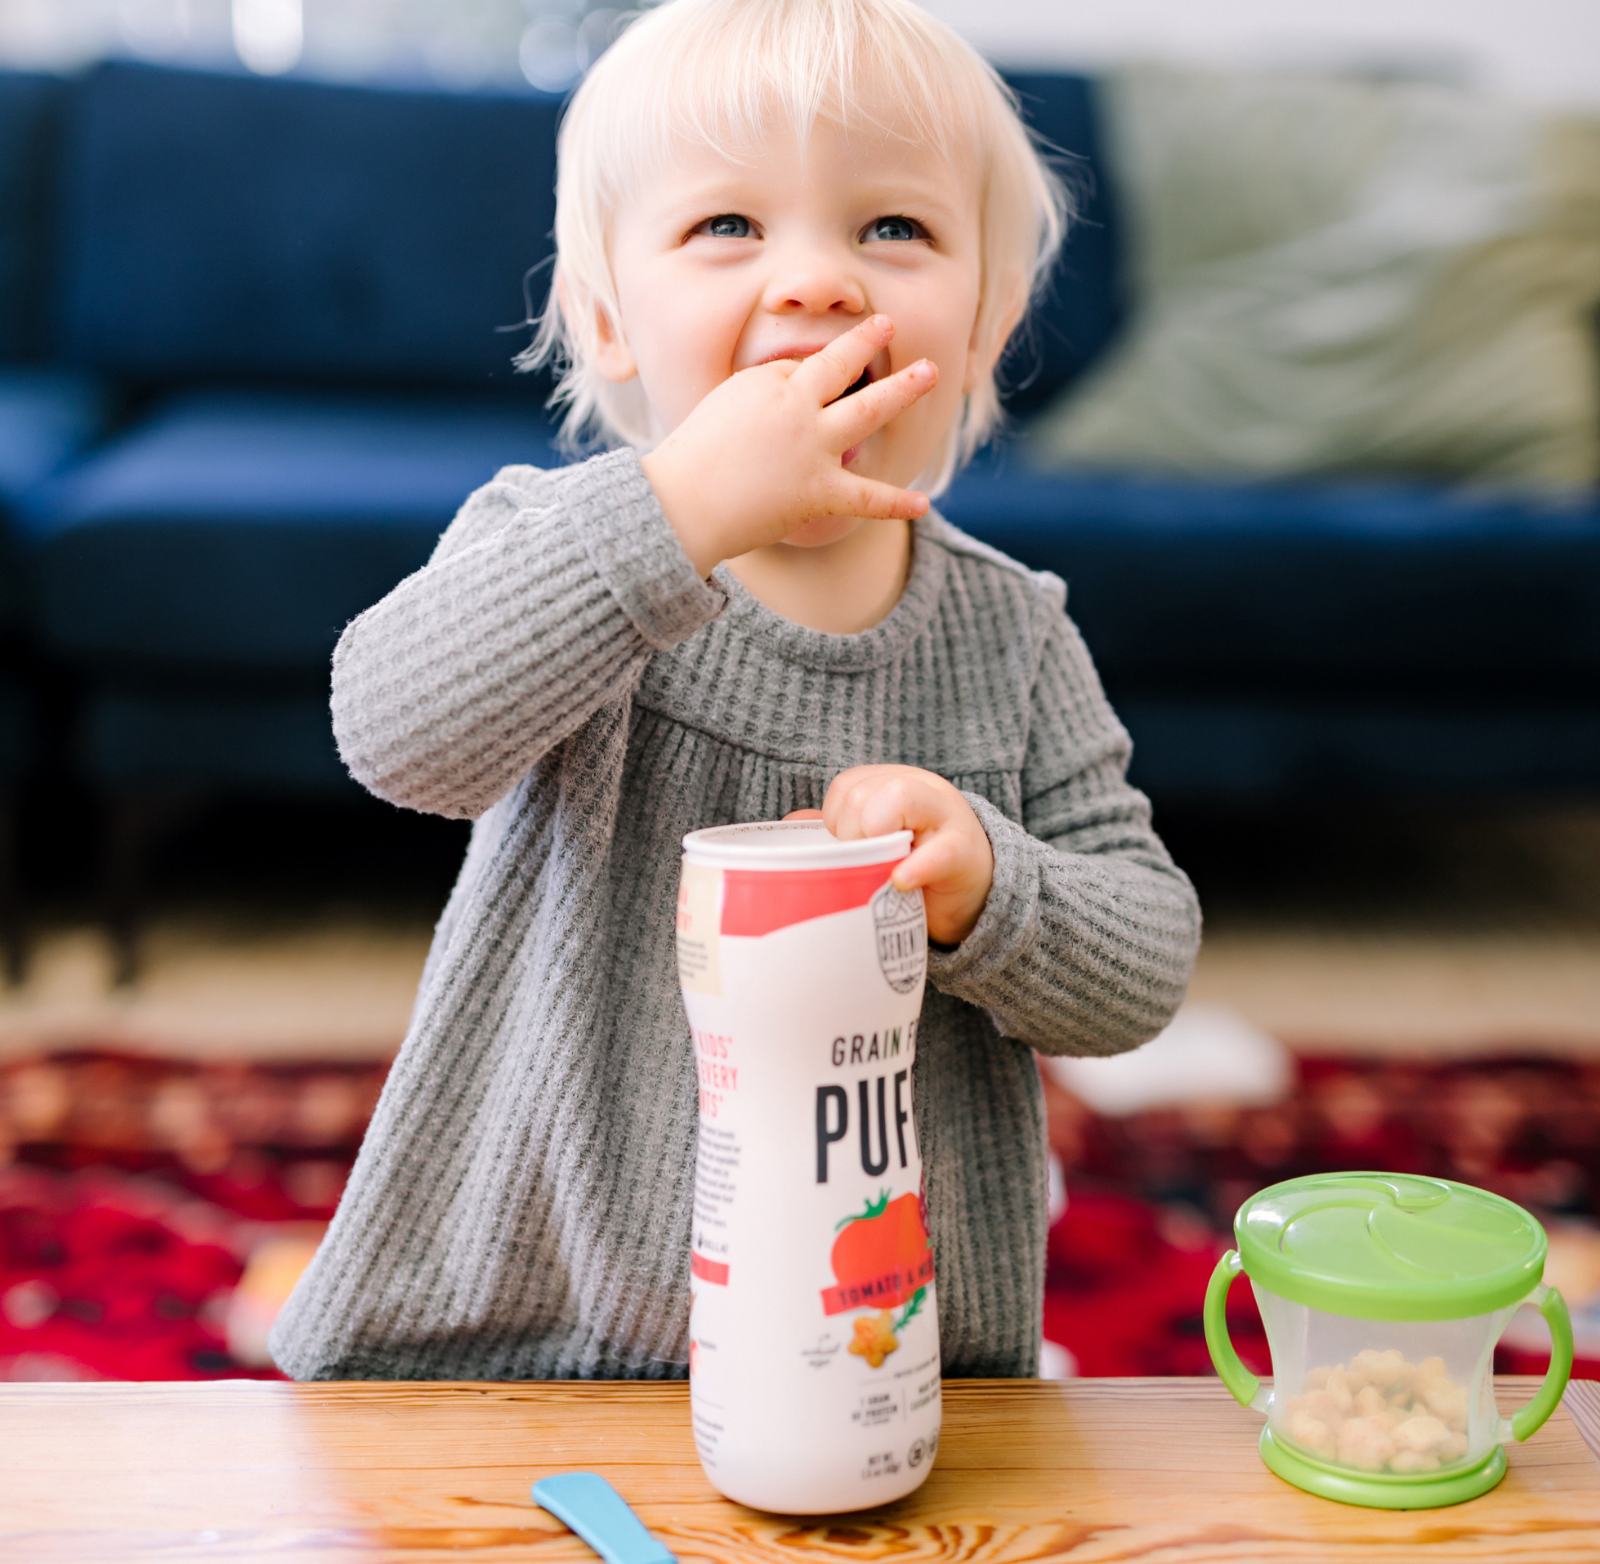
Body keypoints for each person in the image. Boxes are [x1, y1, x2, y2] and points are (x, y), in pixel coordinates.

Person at [270, 0, 1200, 1382]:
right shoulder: (560, 545)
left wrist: (990, 885)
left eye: (896, 229)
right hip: (522, 1331)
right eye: (728, 228)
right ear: (609, 317)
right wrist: (677, 514)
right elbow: (397, 734)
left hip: (877, 1358)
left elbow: (1142, 966)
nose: (820, 281)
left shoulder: (1014, 634)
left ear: (991, 317)